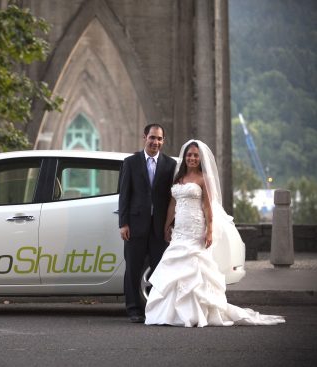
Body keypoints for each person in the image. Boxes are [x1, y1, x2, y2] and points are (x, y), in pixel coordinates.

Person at [145, 140, 285, 327]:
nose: (192, 158)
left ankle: (198, 312)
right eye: (189, 155)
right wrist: (166, 225)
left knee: (195, 268)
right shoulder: (178, 178)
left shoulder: (203, 178)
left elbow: (208, 207)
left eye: (195, 155)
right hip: (180, 230)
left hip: (196, 228)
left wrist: (209, 230)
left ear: (200, 158)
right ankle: (171, 314)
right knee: (174, 268)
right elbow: (172, 204)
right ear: (184, 157)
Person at [118, 124, 177, 323]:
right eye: (152, 138)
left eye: (159, 139)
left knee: (159, 268)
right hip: (134, 226)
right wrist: (123, 223)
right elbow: (124, 196)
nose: (155, 142)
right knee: (133, 268)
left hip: (160, 228)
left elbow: (173, 198)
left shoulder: (170, 165)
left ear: (163, 141)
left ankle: (157, 308)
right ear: (144, 137)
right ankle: (134, 309)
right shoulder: (131, 162)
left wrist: (171, 225)